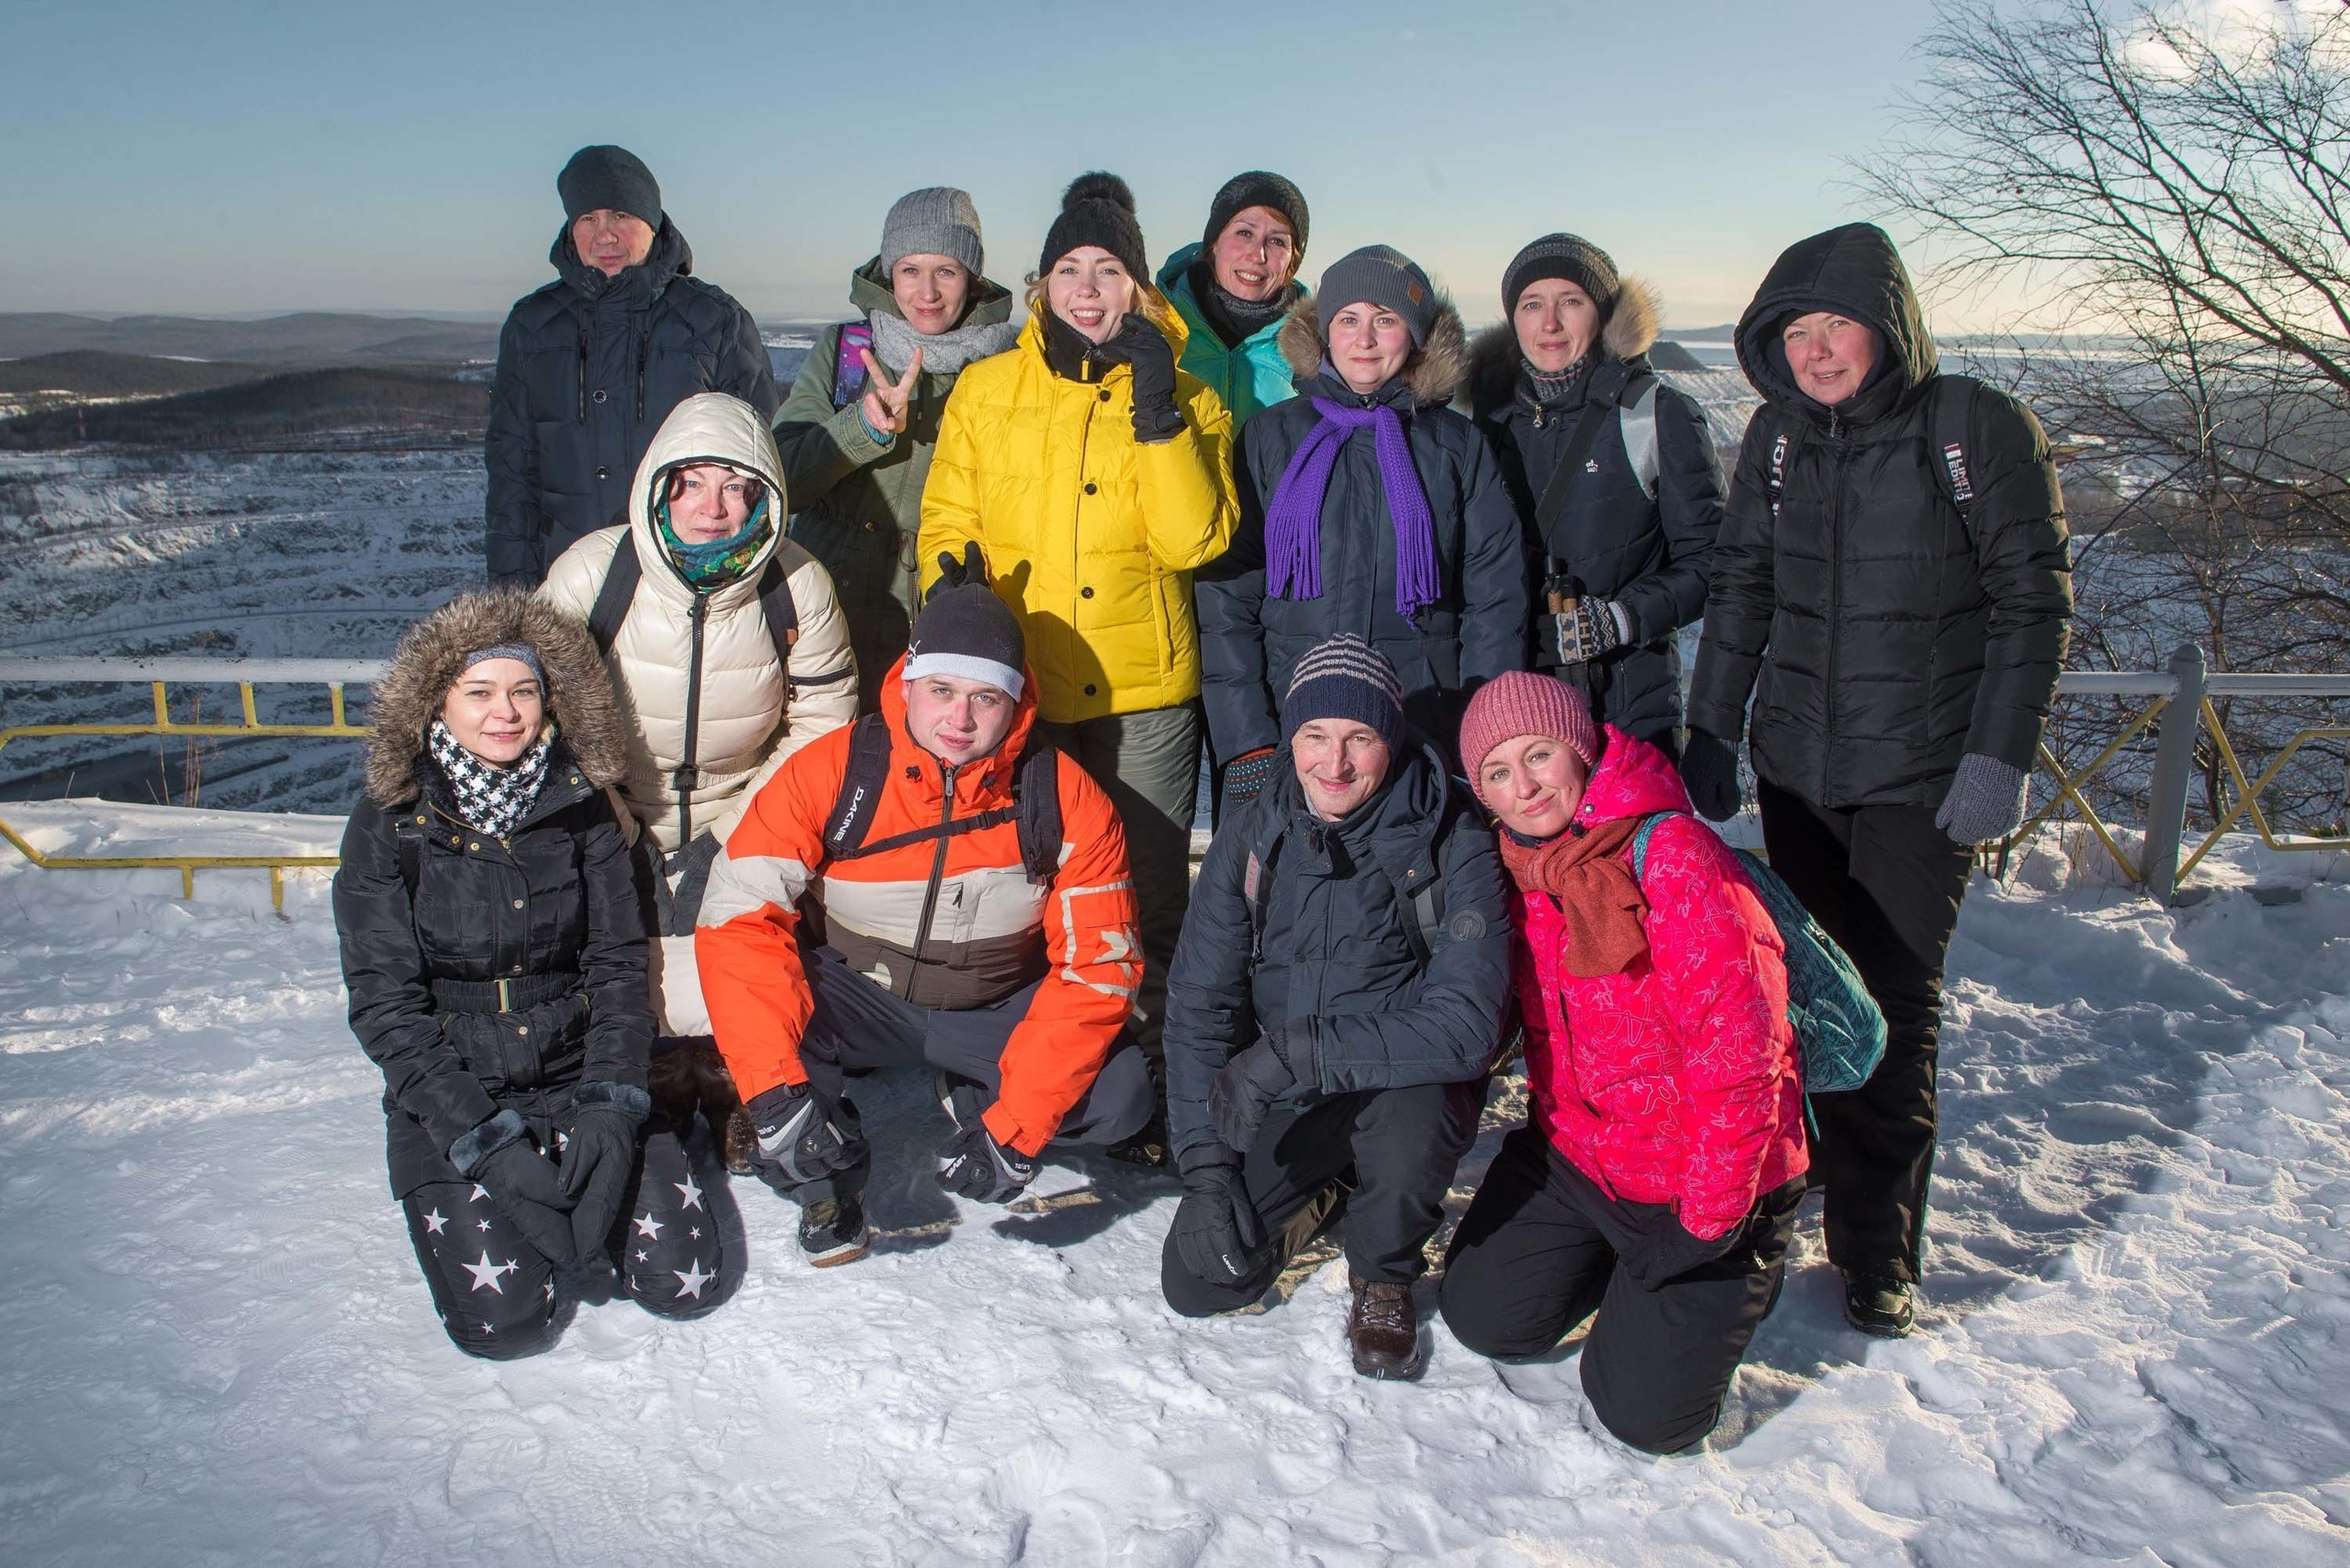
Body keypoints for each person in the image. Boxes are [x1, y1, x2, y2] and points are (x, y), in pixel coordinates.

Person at [1683, 222, 2071, 1337]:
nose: (1814, 351)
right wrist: (1714, 724)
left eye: (1832, 326)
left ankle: (1873, 1249)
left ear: (1885, 325)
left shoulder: (1973, 428)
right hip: (1800, 769)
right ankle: (1793, 1181)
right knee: (1802, 995)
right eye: (1793, 332)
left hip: (1921, 775)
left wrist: (1998, 756)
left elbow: (2030, 601)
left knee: (1892, 1010)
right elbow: (1743, 584)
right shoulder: (1773, 439)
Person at [694, 582, 1156, 1265]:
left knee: (1122, 1098)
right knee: (776, 1033)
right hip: (859, 995)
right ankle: (824, 1178)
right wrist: (771, 1093)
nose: (960, 719)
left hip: (993, 1005)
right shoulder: (834, 770)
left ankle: (976, 1101)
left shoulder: (1066, 795)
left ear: (1016, 703)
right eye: (941, 689)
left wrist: (1020, 1125)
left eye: (985, 697)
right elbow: (737, 919)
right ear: (907, 683)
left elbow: (1099, 968)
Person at [919, 172, 1237, 1144]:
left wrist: (1156, 414)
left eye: (1109, 270)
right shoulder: (988, 388)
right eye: (1070, 268)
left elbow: (1198, 540)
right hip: (1029, 690)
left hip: (1144, 695)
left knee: (1144, 891)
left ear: (1140, 289)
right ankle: (1021, 1066)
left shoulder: (1190, 398)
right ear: (1041, 282)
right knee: (1023, 888)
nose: (1088, 287)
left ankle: (1154, 1077)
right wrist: (950, 581)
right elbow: (945, 515)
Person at [332, 590, 722, 1358]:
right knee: (506, 1329)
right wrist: (482, 1139)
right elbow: (385, 1007)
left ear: (552, 699)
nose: (505, 712)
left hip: (579, 1070)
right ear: (435, 702)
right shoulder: (391, 823)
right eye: (479, 692)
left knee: (686, 1282)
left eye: (524, 689)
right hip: (459, 1088)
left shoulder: (582, 807)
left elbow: (615, 965)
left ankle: (594, 1196)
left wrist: (612, 1104)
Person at [1438, 672, 1807, 1453]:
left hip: (1703, 1179)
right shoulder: (1520, 867)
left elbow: (1743, 1057)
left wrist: (1707, 1223)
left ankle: (1745, 1269)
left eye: (1539, 755)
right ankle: (1618, 1268)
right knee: (1484, 1318)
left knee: (1644, 1418)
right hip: (1583, 1155)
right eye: (1499, 773)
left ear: (1580, 747)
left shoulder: (1671, 855)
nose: (1526, 785)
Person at [1160, 635, 1510, 1379]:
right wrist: (1207, 1169)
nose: (1335, 762)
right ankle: (1336, 1189)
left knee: (1415, 1111)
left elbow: (1467, 1026)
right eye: (1315, 736)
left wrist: (1292, 1050)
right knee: (1199, 1278)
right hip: (1290, 1091)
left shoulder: (1454, 837)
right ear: (1291, 738)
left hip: (1401, 1078)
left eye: (1360, 737)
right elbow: (1200, 1001)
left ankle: (1383, 1270)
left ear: (1393, 737)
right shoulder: (1254, 831)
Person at [540, 393, 856, 1154]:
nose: (712, 508)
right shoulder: (596, 573)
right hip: (614, 798)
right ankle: (649, 1083)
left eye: (736, 486)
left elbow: (823, 724)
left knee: (741, 932)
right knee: (618, 939)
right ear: (660, 486)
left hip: (746, 799)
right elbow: (546, 716)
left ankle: (733, 1083)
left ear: (764, 496)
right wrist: (616, 820)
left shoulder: (794, 586)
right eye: (692, 483)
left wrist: (732, 832)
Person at [1196, 245, 1526, 814]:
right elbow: (1228, 596)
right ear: (1324, 333)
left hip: (1422, 719)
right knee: (1280, 894)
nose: (1365, 339)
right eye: (1348, 319)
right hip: (1292, 723)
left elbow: (1494, 600)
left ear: (1416, 335)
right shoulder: (1271, 437)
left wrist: (1482, 730)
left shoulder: (1455, 445)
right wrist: (1246, 737)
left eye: (1386, 319)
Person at [1464, 234, 1723, 757]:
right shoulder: (1486, 423)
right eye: (1532, 304)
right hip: (1517, 713)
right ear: (1514, 319)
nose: (1550, 323)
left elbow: (1715, 562)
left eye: (1571, 302)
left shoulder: (1653, 414)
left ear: (1602, 314)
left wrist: (1621, 617)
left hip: (1625, 713)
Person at [487, 144, 778, 587]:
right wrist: (514, 596)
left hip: (681, 581)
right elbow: (512, 474)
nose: (605, 235)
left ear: (652, 221)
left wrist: (729, 579)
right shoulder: (533, 326)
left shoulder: (714, 319)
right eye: (588, 219)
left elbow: (754, 466)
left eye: (620, 215)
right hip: (565, 577)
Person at [778, 187, 1021, 713]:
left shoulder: (1008, 369)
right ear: (889, 274)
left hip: (940, 607)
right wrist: (858, 428)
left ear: (972, 278)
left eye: (947, 271)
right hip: (826, 606)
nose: (927, 292)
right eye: (910, 269)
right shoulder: (846, 352)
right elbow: (781, 483)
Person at [1155, 171, 1311, 427]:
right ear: (1214, 243)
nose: (1258, 255)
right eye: (1244, 233)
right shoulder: (1157, 327)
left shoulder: (1317, 351)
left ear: (1291, 261)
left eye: (1277, 241)